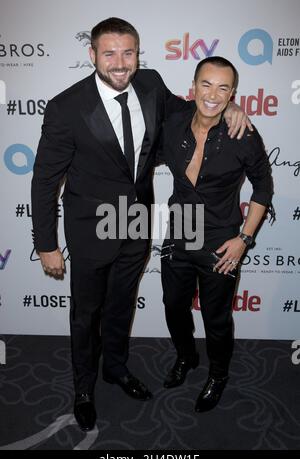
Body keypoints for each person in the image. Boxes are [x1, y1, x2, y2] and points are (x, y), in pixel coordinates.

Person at [31, 18, 250, 432]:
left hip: (134, 224)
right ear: (92, 54)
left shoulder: (150, 84)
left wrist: (230, 105)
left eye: (128, 53)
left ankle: (115, 368)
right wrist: (46, 242)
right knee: (85, 315)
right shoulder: (66, 107)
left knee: (119, 308)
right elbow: (44, 179)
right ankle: (83, 389)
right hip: (91, 229)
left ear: (137, 54)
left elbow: (193, 109)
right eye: (109, 53)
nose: (120, 63)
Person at [160, 56, 274, 412]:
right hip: (179, 232)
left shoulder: (244, 135)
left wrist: (244, 239)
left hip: (220, 241)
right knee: (173, 306)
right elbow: (143, 83)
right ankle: (186, 356)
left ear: (233, 94)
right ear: (192, 87)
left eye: (224, 88)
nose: (213, 94)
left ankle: (218, 374)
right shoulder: (173, 120)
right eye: (206, 84)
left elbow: (263, 190)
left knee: (217, 317)